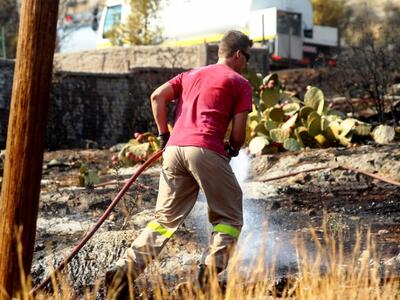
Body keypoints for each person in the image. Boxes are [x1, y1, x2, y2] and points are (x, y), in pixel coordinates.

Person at [105, 30, 253, 297]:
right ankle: (208, 274)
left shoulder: (190, 75)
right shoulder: (239, 82)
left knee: (163, 220)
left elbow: (157, 96)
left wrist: (164, 135)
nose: (248, 64)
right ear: (238, 54)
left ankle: (123, 271)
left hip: (173, 150)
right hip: (206, 149)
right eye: (248, 57)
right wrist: (232, 148)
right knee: (229, 216)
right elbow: (239, 133)